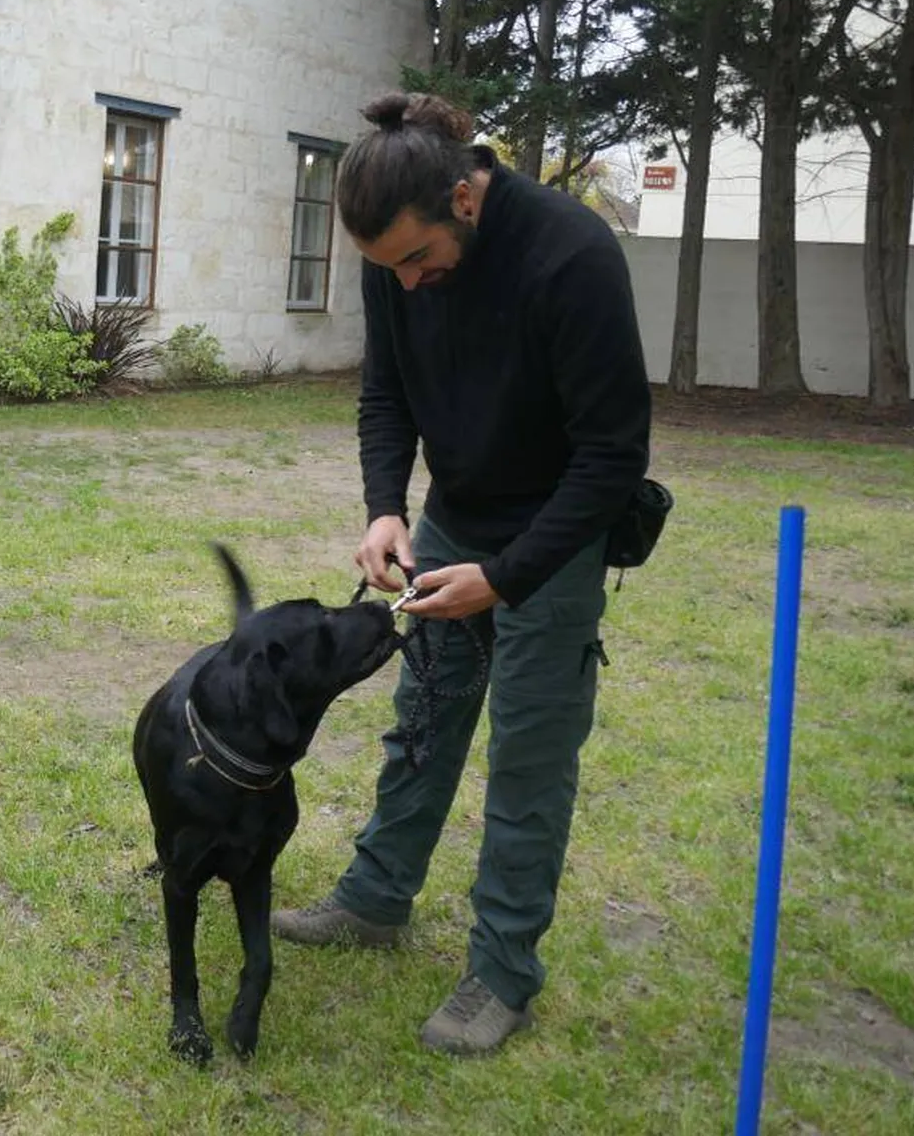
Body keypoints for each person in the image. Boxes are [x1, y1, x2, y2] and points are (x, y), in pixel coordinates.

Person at [270, 92, 651, 1056]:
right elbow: (385, 391)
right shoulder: (392, 257)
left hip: (554, 540)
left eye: (415, 260)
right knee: (423, 724)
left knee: (528, 758)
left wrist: (511, 575)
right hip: (452, 523)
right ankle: (374, 899)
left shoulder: (573, 257)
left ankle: (503, 972)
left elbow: (612, 454)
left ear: (466, 201)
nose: (403, 284)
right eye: (384, 267)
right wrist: (386, 505)